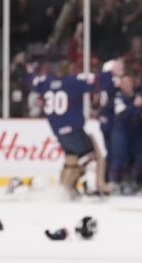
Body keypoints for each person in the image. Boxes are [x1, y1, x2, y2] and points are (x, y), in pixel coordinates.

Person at [30, 61, 108, 198]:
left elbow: (32, 81)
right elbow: (97, 81)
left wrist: (29, 71)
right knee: (90, 157)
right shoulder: (72, 82)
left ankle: (66, 189)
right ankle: (89, 188)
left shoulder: (47, 82)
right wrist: (111, 73)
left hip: (57, 131)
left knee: (71, 158)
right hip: (72, 128)